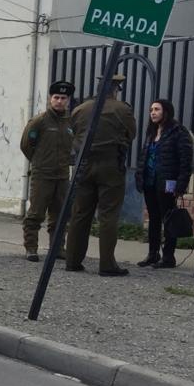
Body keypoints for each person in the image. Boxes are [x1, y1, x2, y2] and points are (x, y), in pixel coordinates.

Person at [64, 74, 136, 276]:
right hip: (110, 165)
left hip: (83, 165)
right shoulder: (122, 109)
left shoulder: (80, 109)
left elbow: (74, 132)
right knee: (108, 215)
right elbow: (131, 134)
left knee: (80, 213)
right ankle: (107, 264)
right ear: (115, 89)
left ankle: (72, 260)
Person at [20, 80, 76, 261]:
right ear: (50, 99)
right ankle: (31, 248)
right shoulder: (40, 121)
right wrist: (39, 161)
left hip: (61, 175)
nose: (60, 101)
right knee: (35, 213)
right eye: (56, 97)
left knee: (60, 215)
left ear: (68, 100)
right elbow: (26, 145)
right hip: (42, 174)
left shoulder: (70, 122)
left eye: (64, 98)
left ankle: (58, 248)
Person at [135, 99, 192, 269]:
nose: (153, 112)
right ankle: (153, 254)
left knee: (169, 218)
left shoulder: (178, 132)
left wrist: (181, 184)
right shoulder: (152, 132)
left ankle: (168, 256)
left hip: (167, 182)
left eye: (157, 109)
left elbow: (185, 160)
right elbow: (145, 156)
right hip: (150, 181)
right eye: (151, 109)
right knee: (153, 219)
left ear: (166, 111)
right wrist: (140, 175)